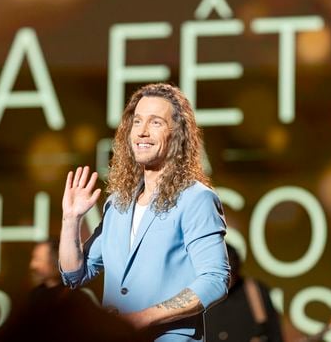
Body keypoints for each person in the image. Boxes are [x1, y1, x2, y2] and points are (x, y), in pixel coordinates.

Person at [59, 82, 230, 341]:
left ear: (178, 134)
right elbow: (74, 275)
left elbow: (215, 279)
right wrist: (70, 220)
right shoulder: (119, 203)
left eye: (156, 123)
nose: (142, 132)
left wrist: (141, 318)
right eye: (137, 122)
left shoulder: (196, 199)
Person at [0, 238, 137, 342]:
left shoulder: (79, 298)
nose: (33, 266)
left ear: (55, 260)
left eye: (38, 259)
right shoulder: (33, 297)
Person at [205, 244, 284, 342]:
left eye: (229, 275)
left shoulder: (255, 292)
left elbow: (275, 335)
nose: (224, 281)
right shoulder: (197, 296)